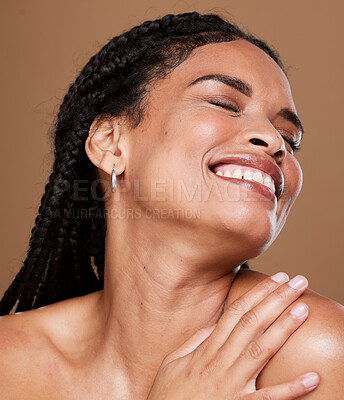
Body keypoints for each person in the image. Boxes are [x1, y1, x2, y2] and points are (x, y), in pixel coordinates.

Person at [0, 11, 343, 399]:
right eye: (222, 102)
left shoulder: (314, 350)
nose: (273, 140)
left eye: (289, 137)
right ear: (111, 144)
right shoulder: (7, 361)